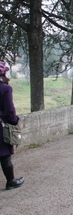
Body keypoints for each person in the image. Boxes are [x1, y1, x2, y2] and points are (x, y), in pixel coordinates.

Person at [0, 61, 24, 190]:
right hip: (1, 125)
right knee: (3, 154)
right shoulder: (5, 88)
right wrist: (14, 121)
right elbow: (9, 111)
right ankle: (11, 181)